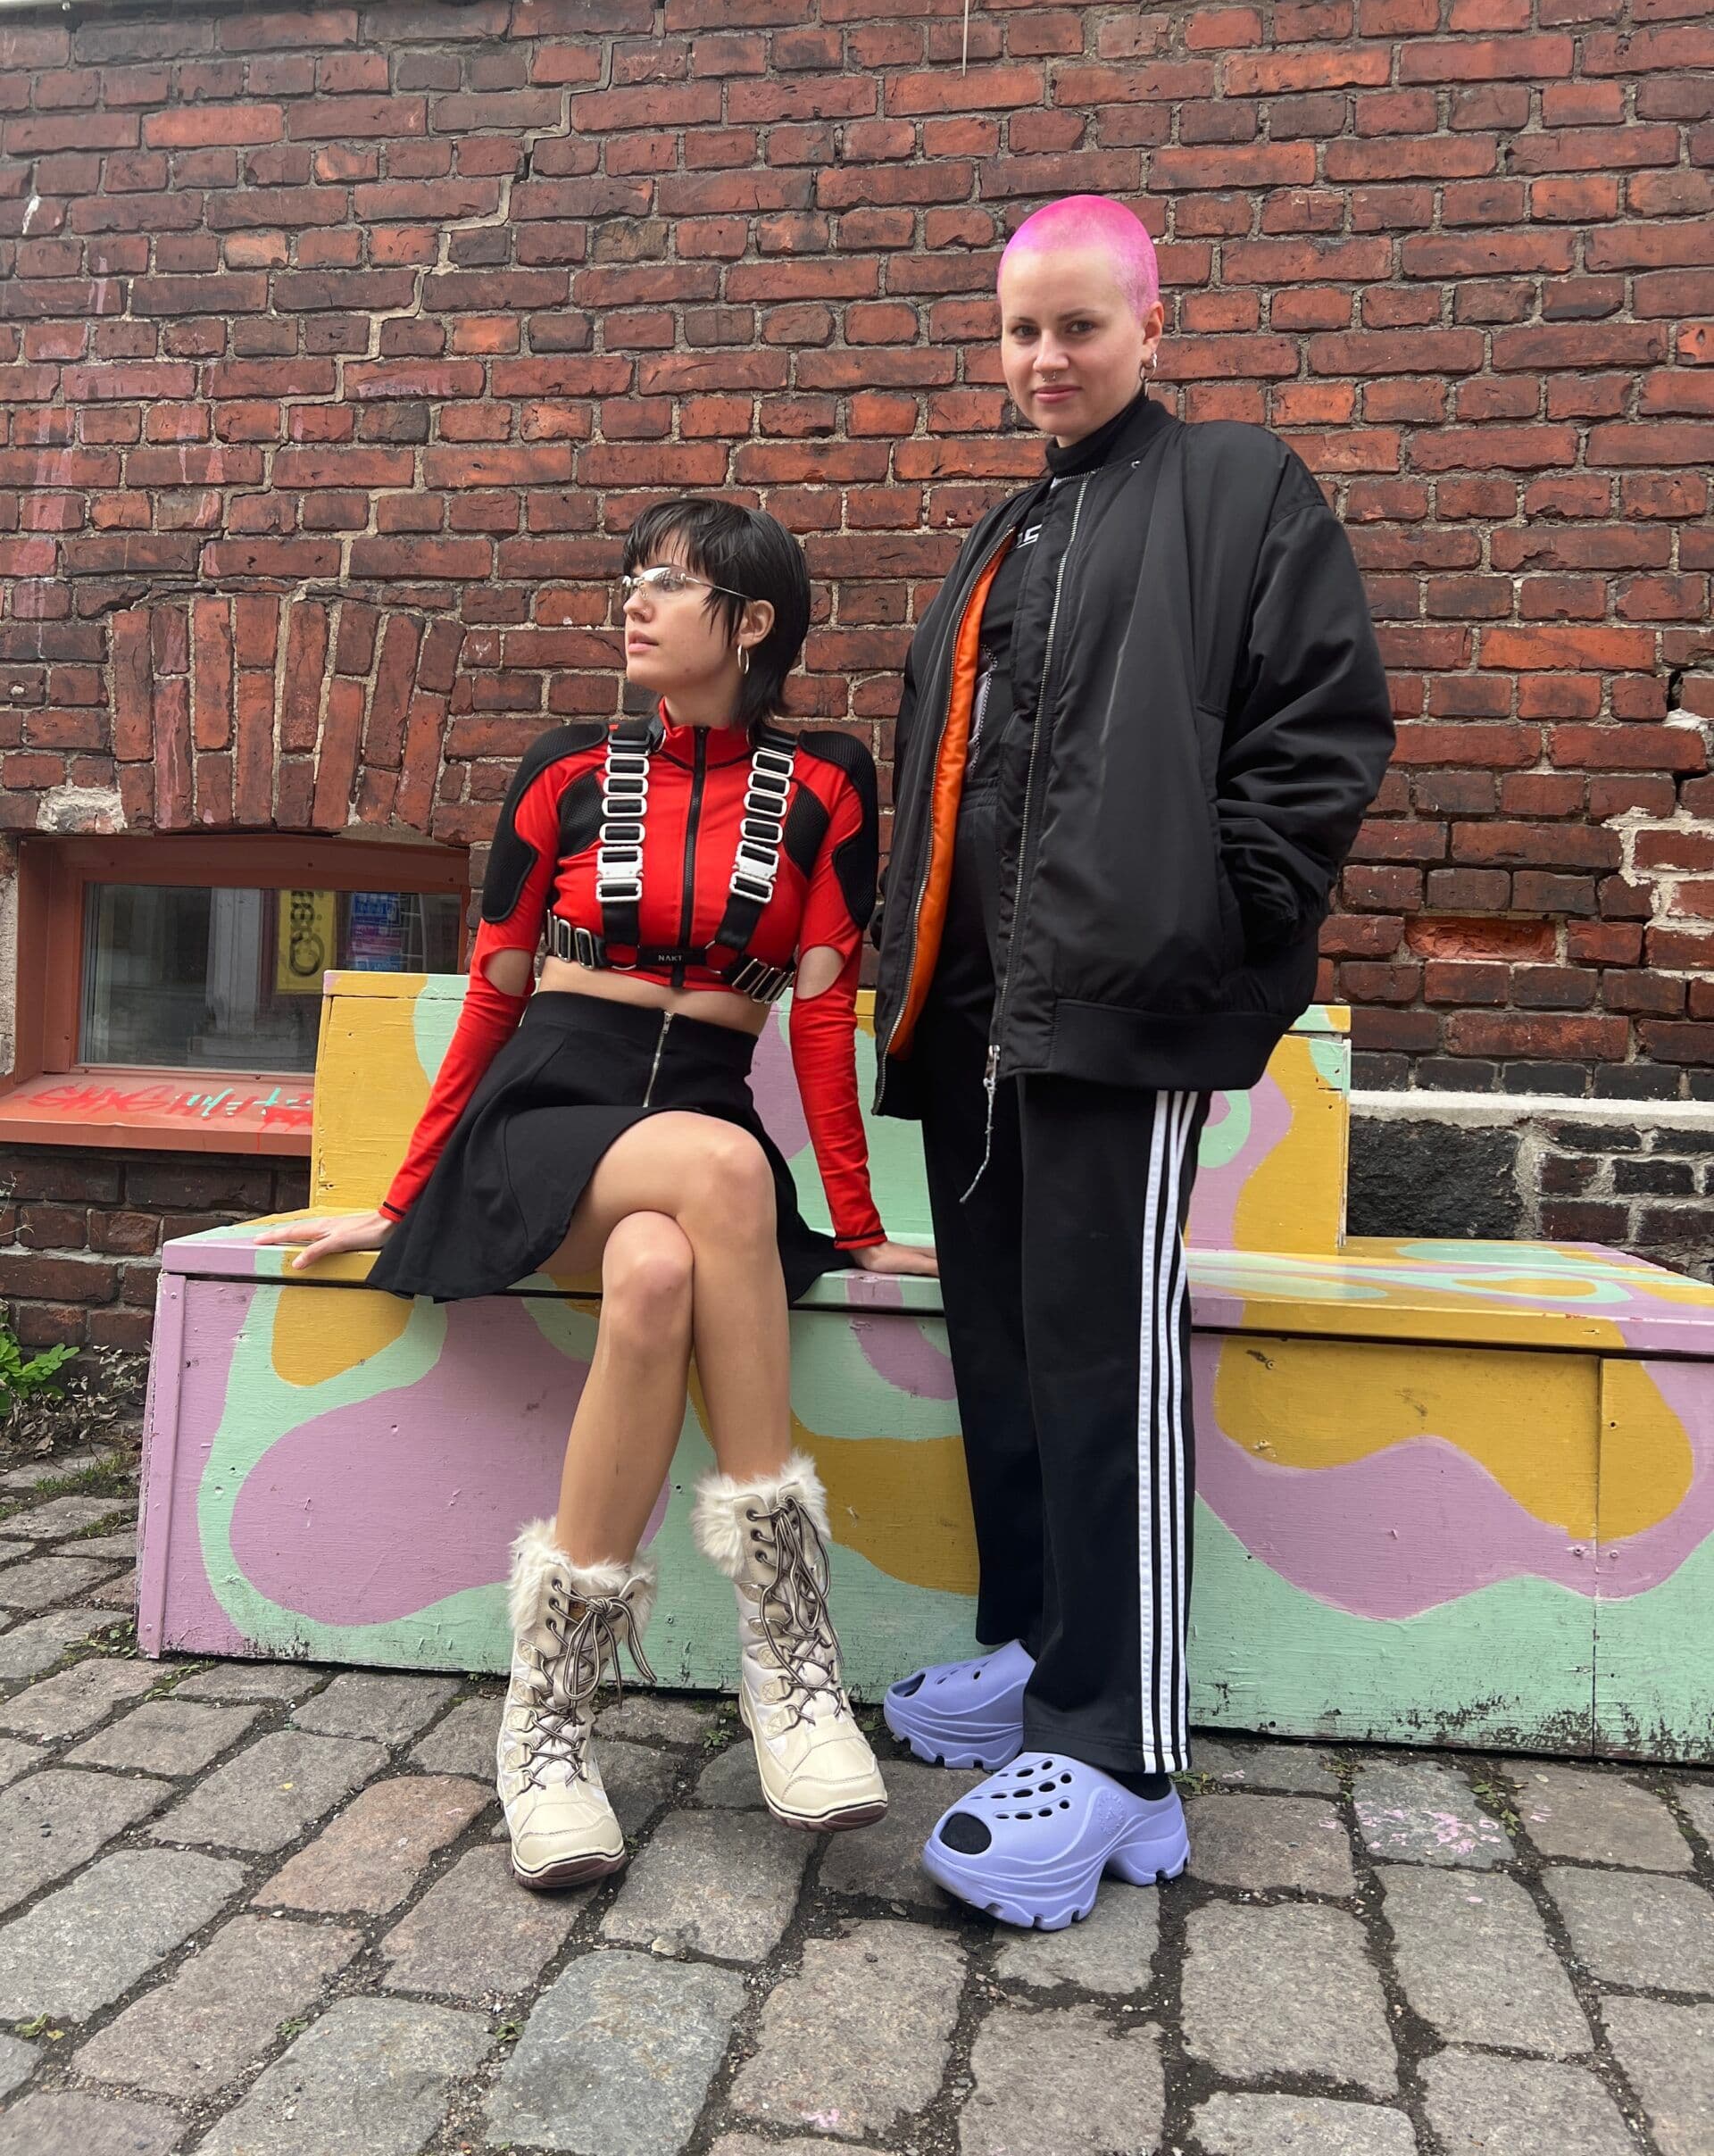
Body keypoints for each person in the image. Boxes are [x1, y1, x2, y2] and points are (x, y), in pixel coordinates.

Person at [272, 497, 936, 1892]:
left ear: (752, 623)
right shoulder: (566, 769)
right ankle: (790, 1652)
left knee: (658, 1272)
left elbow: (826, 1017)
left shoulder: (828, 783)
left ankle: (549, 1725)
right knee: (720, 1168)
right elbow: (494, 993)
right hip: (549, 1112)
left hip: (698, 1119)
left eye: (670, 584)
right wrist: (405, 1193)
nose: (634, 603)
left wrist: (865, 1228)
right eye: (632, 580)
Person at [873, 196, 1394, 1930]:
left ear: (1153, 325)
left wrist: (1217, 921)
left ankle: (1121, 1755)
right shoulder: (1010, 527)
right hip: (979, 1024)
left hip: (1119, 1008)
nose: (1047, 358)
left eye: (1080, 325)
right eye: (1021, 329)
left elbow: (1319, 731)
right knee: (1012, 1354)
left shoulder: (1239, 487)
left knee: (1105, 1365)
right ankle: (1046, 1655)